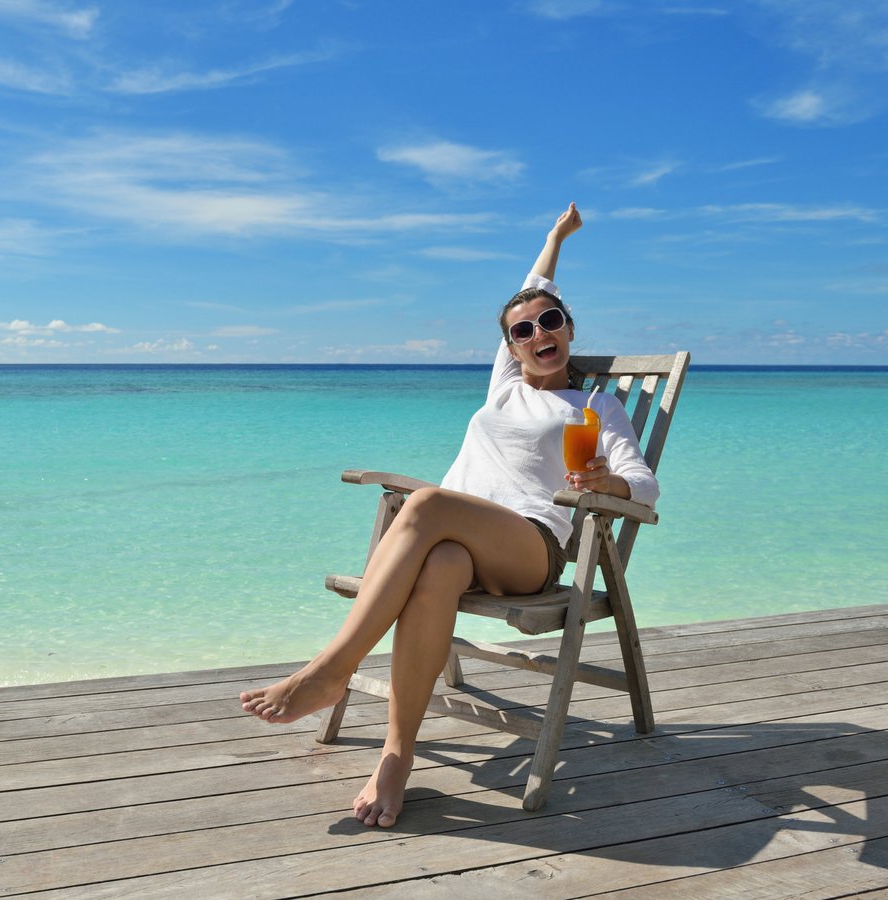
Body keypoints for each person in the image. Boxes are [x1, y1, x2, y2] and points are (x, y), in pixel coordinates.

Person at [239, 203, 659, 828]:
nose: (538, 334)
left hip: (532, 548)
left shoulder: (596, 406)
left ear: (569, 327)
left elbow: (646, 487)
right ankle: (395, 757)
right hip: (459, 545)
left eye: (550, 322)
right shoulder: (504, 385)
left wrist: (610, 480)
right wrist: (553, 238)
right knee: (438, 564)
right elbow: (533, 284)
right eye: (523, 331)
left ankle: (331, 670)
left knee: (428, 502)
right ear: (510, 347)